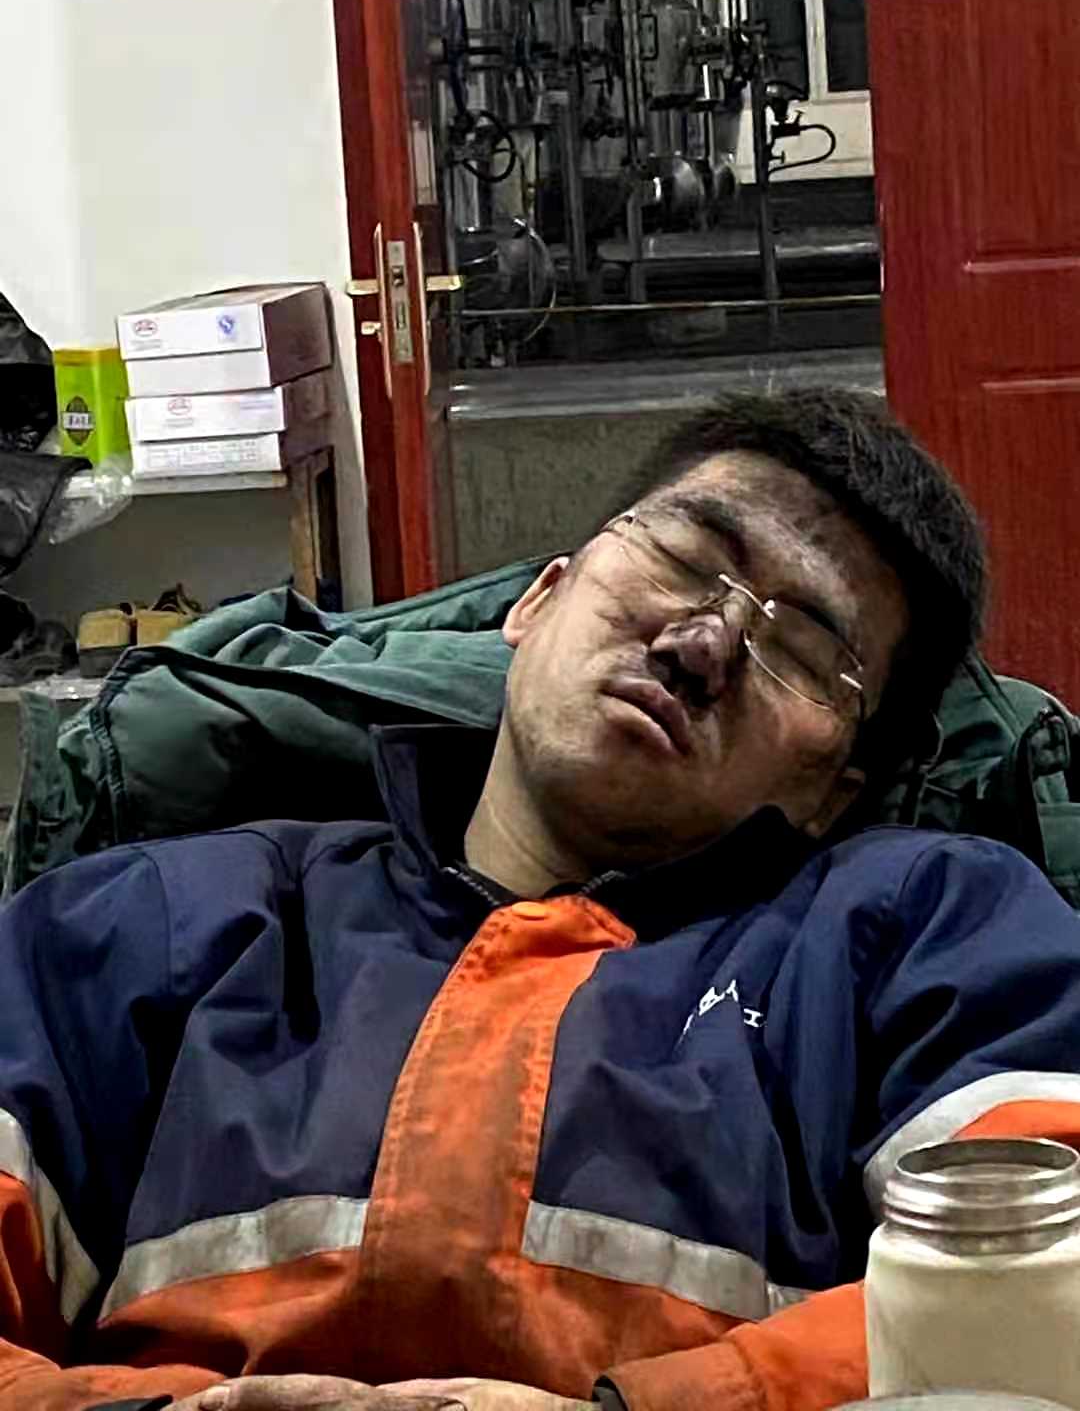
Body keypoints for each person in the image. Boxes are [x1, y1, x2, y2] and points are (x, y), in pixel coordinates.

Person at [2, 389, 1079, 1411]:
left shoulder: (931, 933)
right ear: (539, 599)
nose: (700, 645)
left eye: (801, 651)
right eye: (680, 560)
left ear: (833, 789)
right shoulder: (150, 921)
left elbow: (1042, 1297)